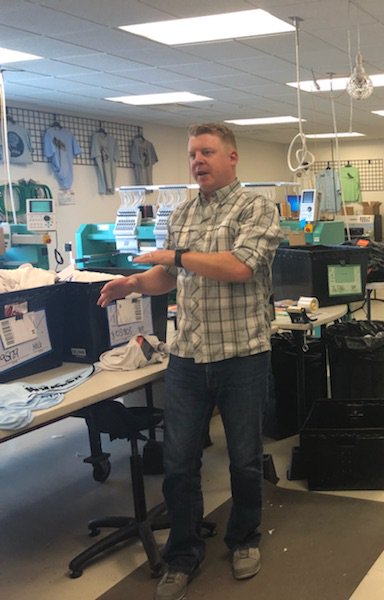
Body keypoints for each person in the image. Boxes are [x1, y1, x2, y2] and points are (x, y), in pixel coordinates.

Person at [98, 123, 282, 600]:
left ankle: (244, 539)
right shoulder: (181, 212)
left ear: (232, 157)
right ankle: (182, 555)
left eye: (207, 152)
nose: (198, 161)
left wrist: (177, 255)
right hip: (187, 355)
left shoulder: (256, 207)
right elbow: (169, 275)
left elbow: (239, 267)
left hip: (242, 354)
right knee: (179, 463)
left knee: (244, 460)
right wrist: (133, 283)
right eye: (192, 154)